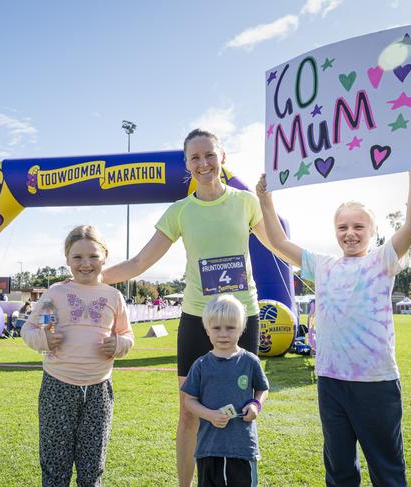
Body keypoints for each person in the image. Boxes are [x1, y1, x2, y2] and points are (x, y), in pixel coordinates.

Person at [101, 128, 281, 486]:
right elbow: (138, 264)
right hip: (197, 319)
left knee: (244, 408)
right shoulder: (180, 212)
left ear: (223, 157)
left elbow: (277, 243)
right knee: (189, 411)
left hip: (242, 317)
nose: (203, 163)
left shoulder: (245, 202)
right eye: (195, 158)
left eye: (209, 155)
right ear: (187, 164)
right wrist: (90, 276)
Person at [255, 141, 411, 486]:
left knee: (388, 471)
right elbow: (277, 243)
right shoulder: (322, 265)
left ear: (373, 231)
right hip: (331, 382)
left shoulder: (383, 260)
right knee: (339, 471)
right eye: (342, 227)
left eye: (358, 227)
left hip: (376, 383)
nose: (350, 233)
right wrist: (265, 198)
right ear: (335, 232)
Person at [21, 225, 134, 487]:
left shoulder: (114, 296)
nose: (86, 264)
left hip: (99, 391)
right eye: (78, 257)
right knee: (55, 465)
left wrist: (118, 344)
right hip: (57, 386)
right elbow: (29, 329)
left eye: (93, 256)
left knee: (92, 467)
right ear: (67, 260)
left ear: (105, 256)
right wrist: (44, 340)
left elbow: (127, 335)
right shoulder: (55, 293)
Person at [182, 295, 269, 487]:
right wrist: (210, 415)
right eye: (216, 328)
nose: (223, 334)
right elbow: (189, 400)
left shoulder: (250, 361)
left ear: (242, 329)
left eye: (230, 328)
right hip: (209, 448)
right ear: (207, 330)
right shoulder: (201, 365)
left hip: (243, 448)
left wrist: (256, 405)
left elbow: (262, 389)